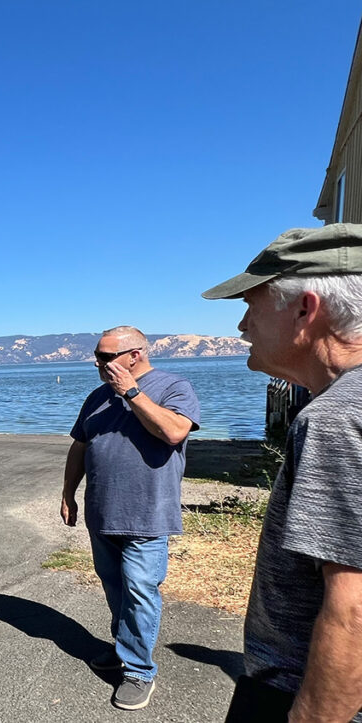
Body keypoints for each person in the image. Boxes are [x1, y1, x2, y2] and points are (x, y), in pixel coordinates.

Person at [202, 223, 362, 723]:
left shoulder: (336, 418)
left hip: (302, 691)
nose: (243, 326)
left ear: (304, 309)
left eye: (252, 304)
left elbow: (355, 608)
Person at [61, 326, 199, 711]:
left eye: (105, 357)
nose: (97, 362)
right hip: (101, 511)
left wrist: (132, 394)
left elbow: (173, 432)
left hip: (147, 514)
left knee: (140, 592)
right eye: (97, 354)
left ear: (134, 355)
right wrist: (68, 493)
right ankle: (124, 649)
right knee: (115, 590)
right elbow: (79, 446)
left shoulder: (174, 387)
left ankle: (139, 671)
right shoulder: (96, 398)